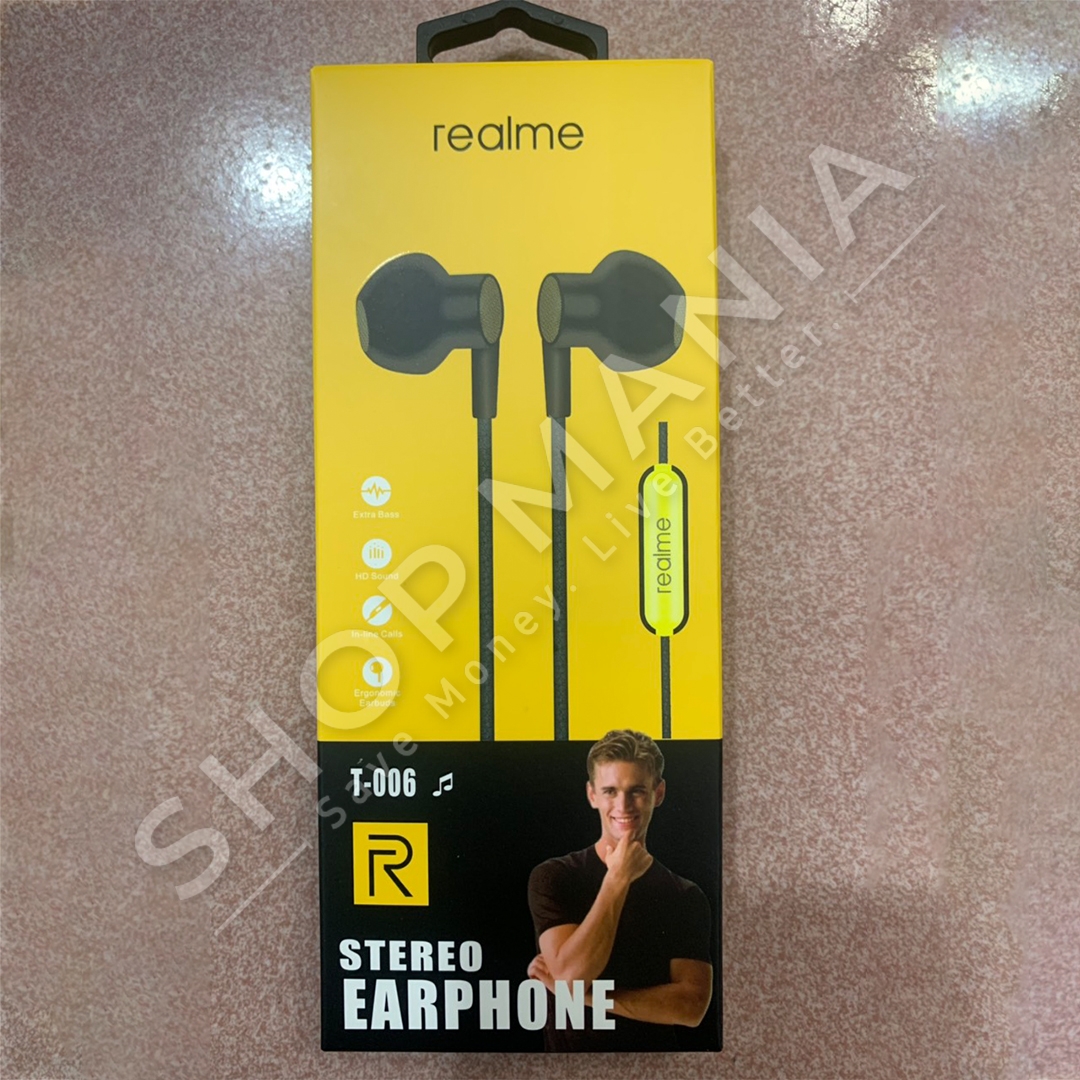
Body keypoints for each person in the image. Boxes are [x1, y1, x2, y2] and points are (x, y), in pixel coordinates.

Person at [526, 729, 713, 1051]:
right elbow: (570, 975)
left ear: (658, 793)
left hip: (652, 1068)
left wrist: (588, 997)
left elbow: (692, 1008)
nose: (623, 805)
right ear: (592, 795)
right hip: (566, 1068)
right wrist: (618, 879)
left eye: (637, 790)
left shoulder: (685, 895)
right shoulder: (555, 876)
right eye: (610, 791)